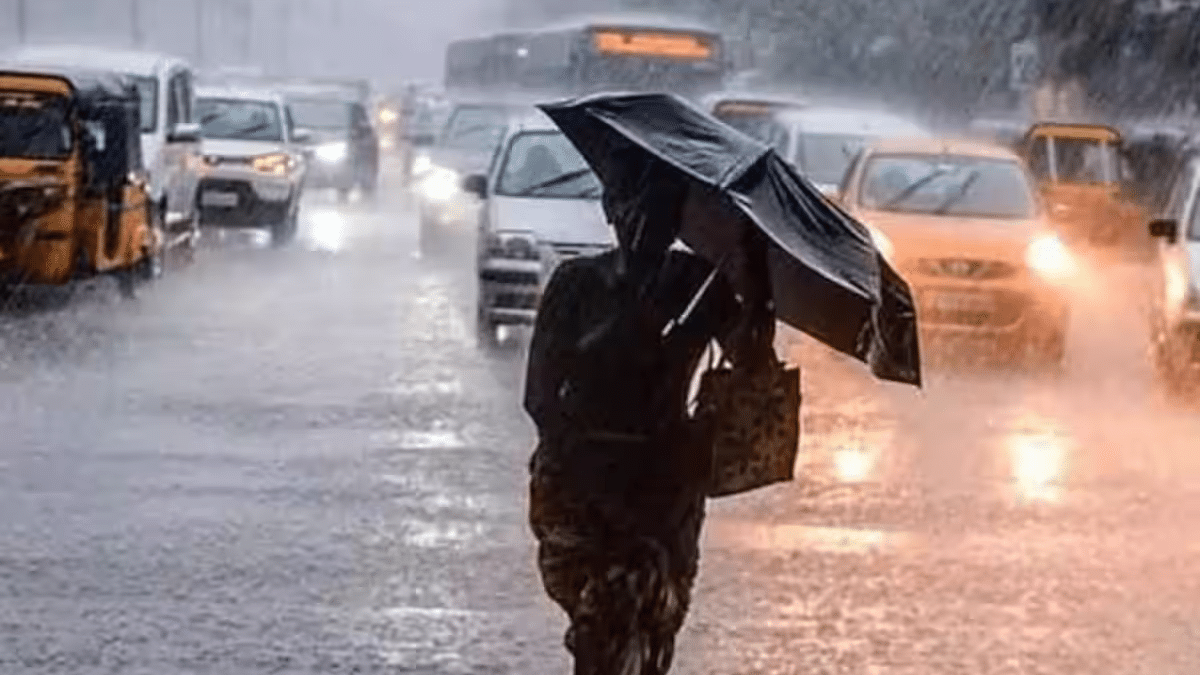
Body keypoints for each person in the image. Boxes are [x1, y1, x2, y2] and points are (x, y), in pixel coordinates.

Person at [524, 158, 774, 675]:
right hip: (581, 483)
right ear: (611, 210)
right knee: (602, 623)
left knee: (654, 629)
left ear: (676, 219)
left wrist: (755, 285)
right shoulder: (576, 284)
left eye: (661, 210)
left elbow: (751, 362)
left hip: (665, 484)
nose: (645, 221)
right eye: (633, 206)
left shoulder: (696, 283)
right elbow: (541, 395)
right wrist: (587, 474)